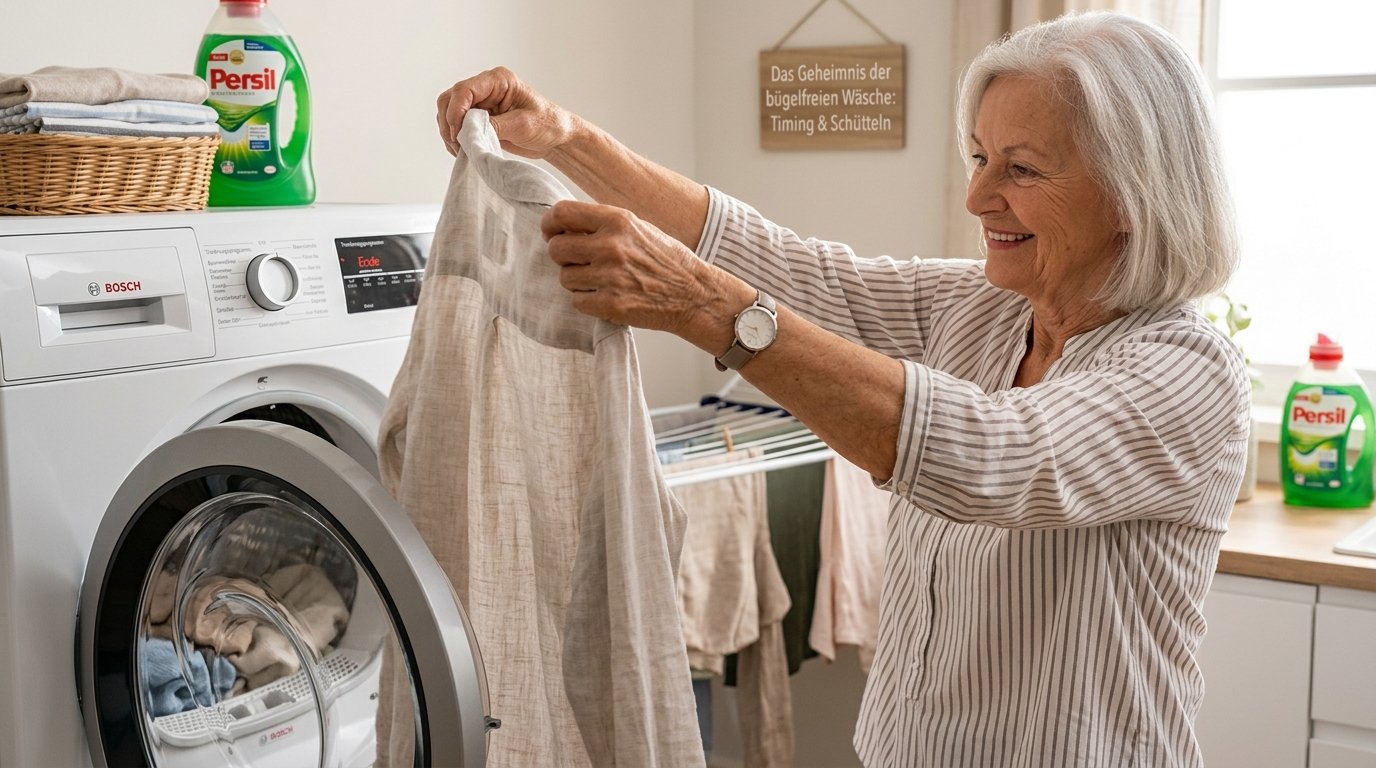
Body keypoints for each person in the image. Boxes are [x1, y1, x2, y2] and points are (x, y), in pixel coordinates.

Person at [435, 10, 1248, 768]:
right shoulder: (983, 309)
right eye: (978, 157)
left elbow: (990, 455)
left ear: (1136, 194)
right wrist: (566, 139)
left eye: (1022, 169)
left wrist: (697, 303)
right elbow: (781, 262)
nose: (976, 196)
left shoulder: (1185, 374)